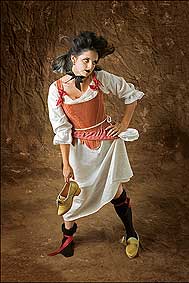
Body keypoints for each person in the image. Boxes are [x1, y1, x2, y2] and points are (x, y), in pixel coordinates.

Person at [47, 31, 144, 259]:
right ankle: (67, 234)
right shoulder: (57, 90)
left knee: (115, 189)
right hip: (79, 148)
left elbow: (132, 96)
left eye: (94, 61)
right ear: (73, 59)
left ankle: (131, 233)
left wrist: (123, 124)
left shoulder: (101, 78)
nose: (90, 66)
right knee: (74, 193)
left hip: (106, 145)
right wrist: (66, 164)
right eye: (85, 60)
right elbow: (62, 131)